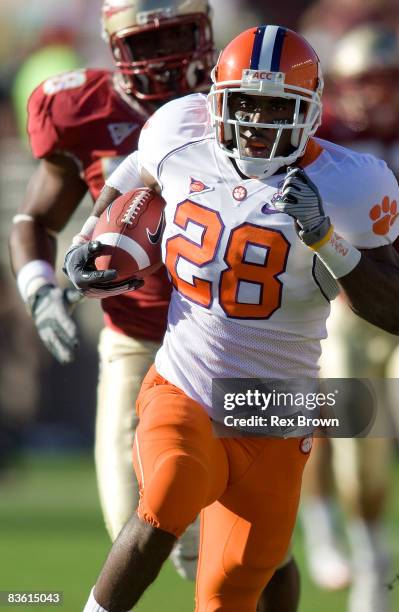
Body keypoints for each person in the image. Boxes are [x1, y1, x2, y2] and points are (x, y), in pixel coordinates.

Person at [64, 25, 399, 611]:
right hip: (187, 380)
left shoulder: (350, 182)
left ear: (311, 110)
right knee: (169, 492)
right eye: (244, 102)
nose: (257, 120)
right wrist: (86, 235)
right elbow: (134, 172)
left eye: (278, 106)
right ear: (216, 101)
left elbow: (396, 311)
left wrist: (325, 236)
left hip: (275, 408)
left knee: (235, 587)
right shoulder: (182, 131)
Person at [9, 0, 214, 580]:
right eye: (150, 43)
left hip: (233, 338)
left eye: (179, 36)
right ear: (115, 47)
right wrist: (40, 289)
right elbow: (35, 220)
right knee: (132, 519)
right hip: (136, 337)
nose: (169, 59)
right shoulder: (83, 109)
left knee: (251, 535)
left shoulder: (237, 102)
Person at [300, 25, 399, 612]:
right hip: (350, 313)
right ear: (342, 87)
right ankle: (374, 567)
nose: (380, 92)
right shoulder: (329, 138)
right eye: (366, 80)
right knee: (358, 458)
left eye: (390, 78)